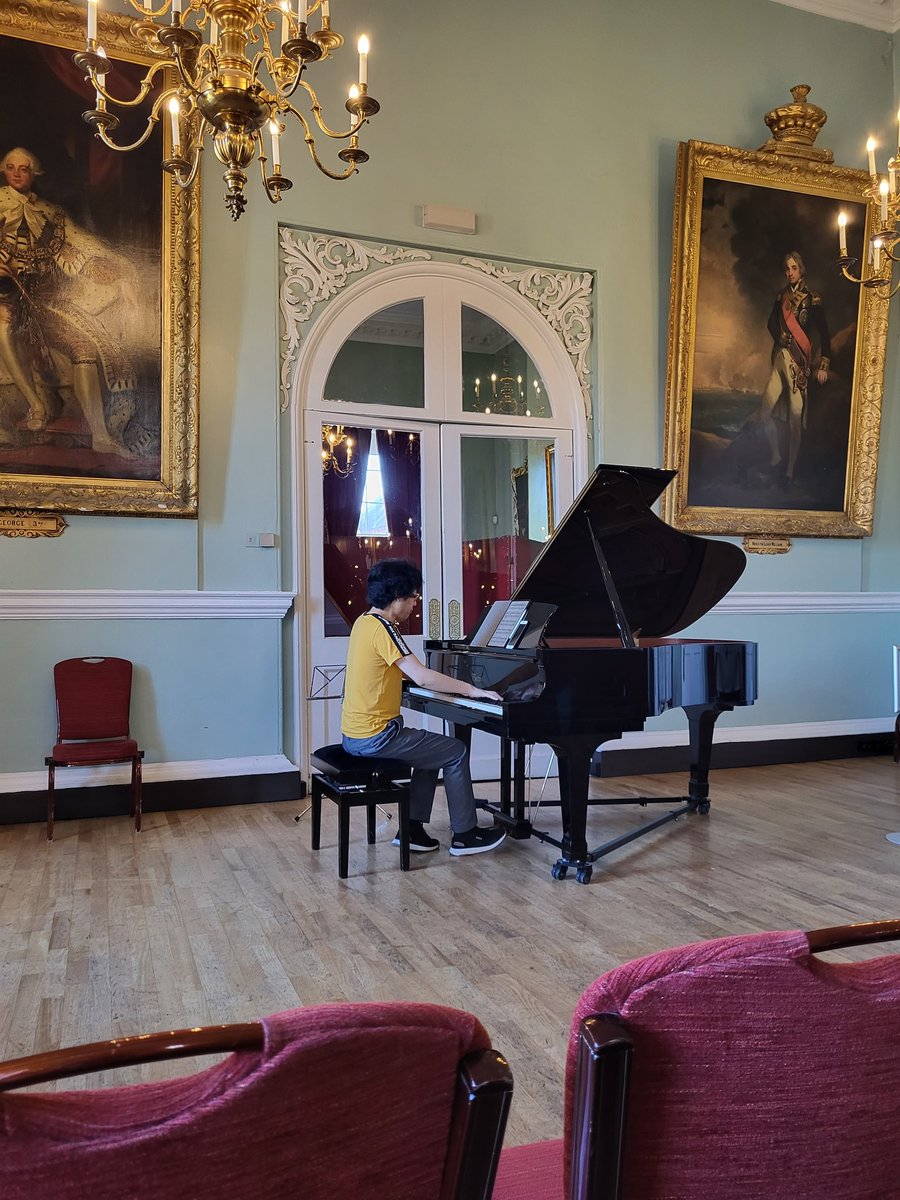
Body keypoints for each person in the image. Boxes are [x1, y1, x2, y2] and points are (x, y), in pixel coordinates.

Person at [341, 559, 507, 857]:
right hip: (376, 736)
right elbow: (422, 676)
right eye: (413, 596)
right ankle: (465, 836)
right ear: (397, 597)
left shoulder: (363, 623)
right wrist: (473, 689)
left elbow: (392, 673)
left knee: (432, 750)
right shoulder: (385, 629)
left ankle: (413, 830)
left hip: (356, 733)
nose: (416, 603)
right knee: (455, 751)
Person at [0, 146, 136, 455]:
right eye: (11, 167)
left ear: (34, 174)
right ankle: (36, 406)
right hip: (5, 295)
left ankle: (100, 437)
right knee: (4, 325)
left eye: (24, 168)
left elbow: (85, 245)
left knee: (83, 347)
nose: (18, 174)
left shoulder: (51, 214)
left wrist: (124, 270)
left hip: (43, 301)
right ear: (4, 170)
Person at [756, 250, 830, 483]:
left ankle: (789, 471)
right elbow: (770, 323)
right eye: (787, 269)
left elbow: (824, 334)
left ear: (801, 269)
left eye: (793, 268)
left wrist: (824, 365)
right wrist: (780, 337)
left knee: (795, 418)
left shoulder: (812, 299)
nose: (789, 273)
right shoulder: (782, 296)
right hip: (780, 358)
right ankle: (776, 457)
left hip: (798, 364)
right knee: (765, 412)